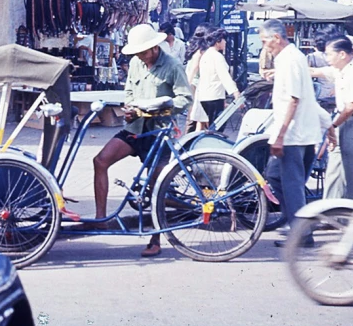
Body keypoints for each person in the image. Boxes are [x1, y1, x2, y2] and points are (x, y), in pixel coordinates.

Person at [81, 24, 192, 257]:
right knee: (100, 161)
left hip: (159, 132)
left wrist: (162, 108)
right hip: (135, 128)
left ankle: (156, 239)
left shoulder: (172, 66)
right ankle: (101, 217)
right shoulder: (135, 63)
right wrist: (130, 108)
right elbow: (130, 91)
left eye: (142, 52)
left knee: (156, 187)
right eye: (137, 53)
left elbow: (185, 98)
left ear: (153, 48)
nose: (140, 56)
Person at [259, 19, 320, 248]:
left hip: (294, 135)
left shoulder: (289, 60)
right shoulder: (292, 58)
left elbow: (293, 100)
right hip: (301, 132)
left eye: (265, 41)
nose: (265, 46)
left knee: (292, 185)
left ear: (276, 38)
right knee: (275, 176)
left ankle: (301, 234)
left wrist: (281, 136)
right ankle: (298, 223)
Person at [309, 35, 353, 199]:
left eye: (330, 54)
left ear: (342, 54)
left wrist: (333, 126)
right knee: (334, 170)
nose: (327, 58)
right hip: (343, 121)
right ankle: (329, 211)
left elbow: (351, 107)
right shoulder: (341, 70)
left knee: (352, 175)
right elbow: (314, 71)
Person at [197, 27, 241, 124]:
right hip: (215, 96)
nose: (225, 42)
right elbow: (224, 76)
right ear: (218, 41)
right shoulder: (217, 56)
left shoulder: (206, 55)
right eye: (224, 40)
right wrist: (235, 92)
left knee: (209, 125)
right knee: (218, 126)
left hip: (204, 95)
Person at [184, 24, 213, 132]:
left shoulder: (198, 49)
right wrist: (185, 87)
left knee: (198, 118)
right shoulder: (200, 52)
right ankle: (185, 143)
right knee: (193, 118)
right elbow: (193, 70)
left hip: (196, 86)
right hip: (195, 86)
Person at [306, 33, 335, 99]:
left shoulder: (311, 56)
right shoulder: (333, 55)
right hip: (334, 91)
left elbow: (306, 73)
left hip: (320, 92)